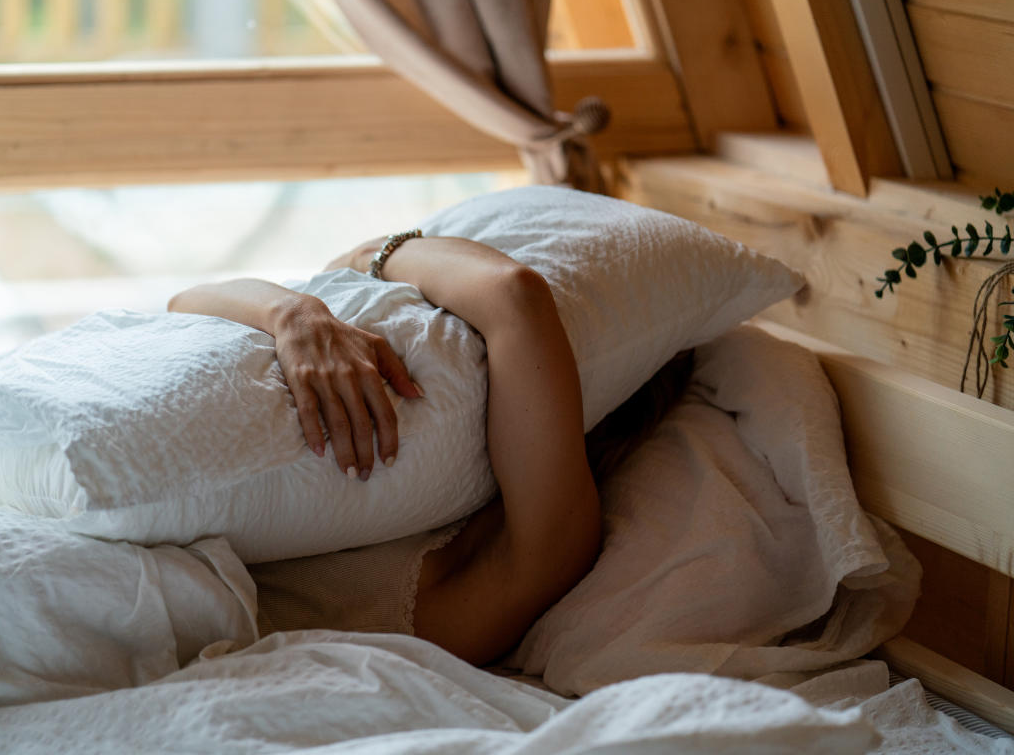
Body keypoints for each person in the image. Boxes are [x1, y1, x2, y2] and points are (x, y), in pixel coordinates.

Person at [168, 233, 688, 666]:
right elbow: (183, 303)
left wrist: (372, 254)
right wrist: (296, 314)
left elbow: (515, 295)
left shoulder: (549, 546)